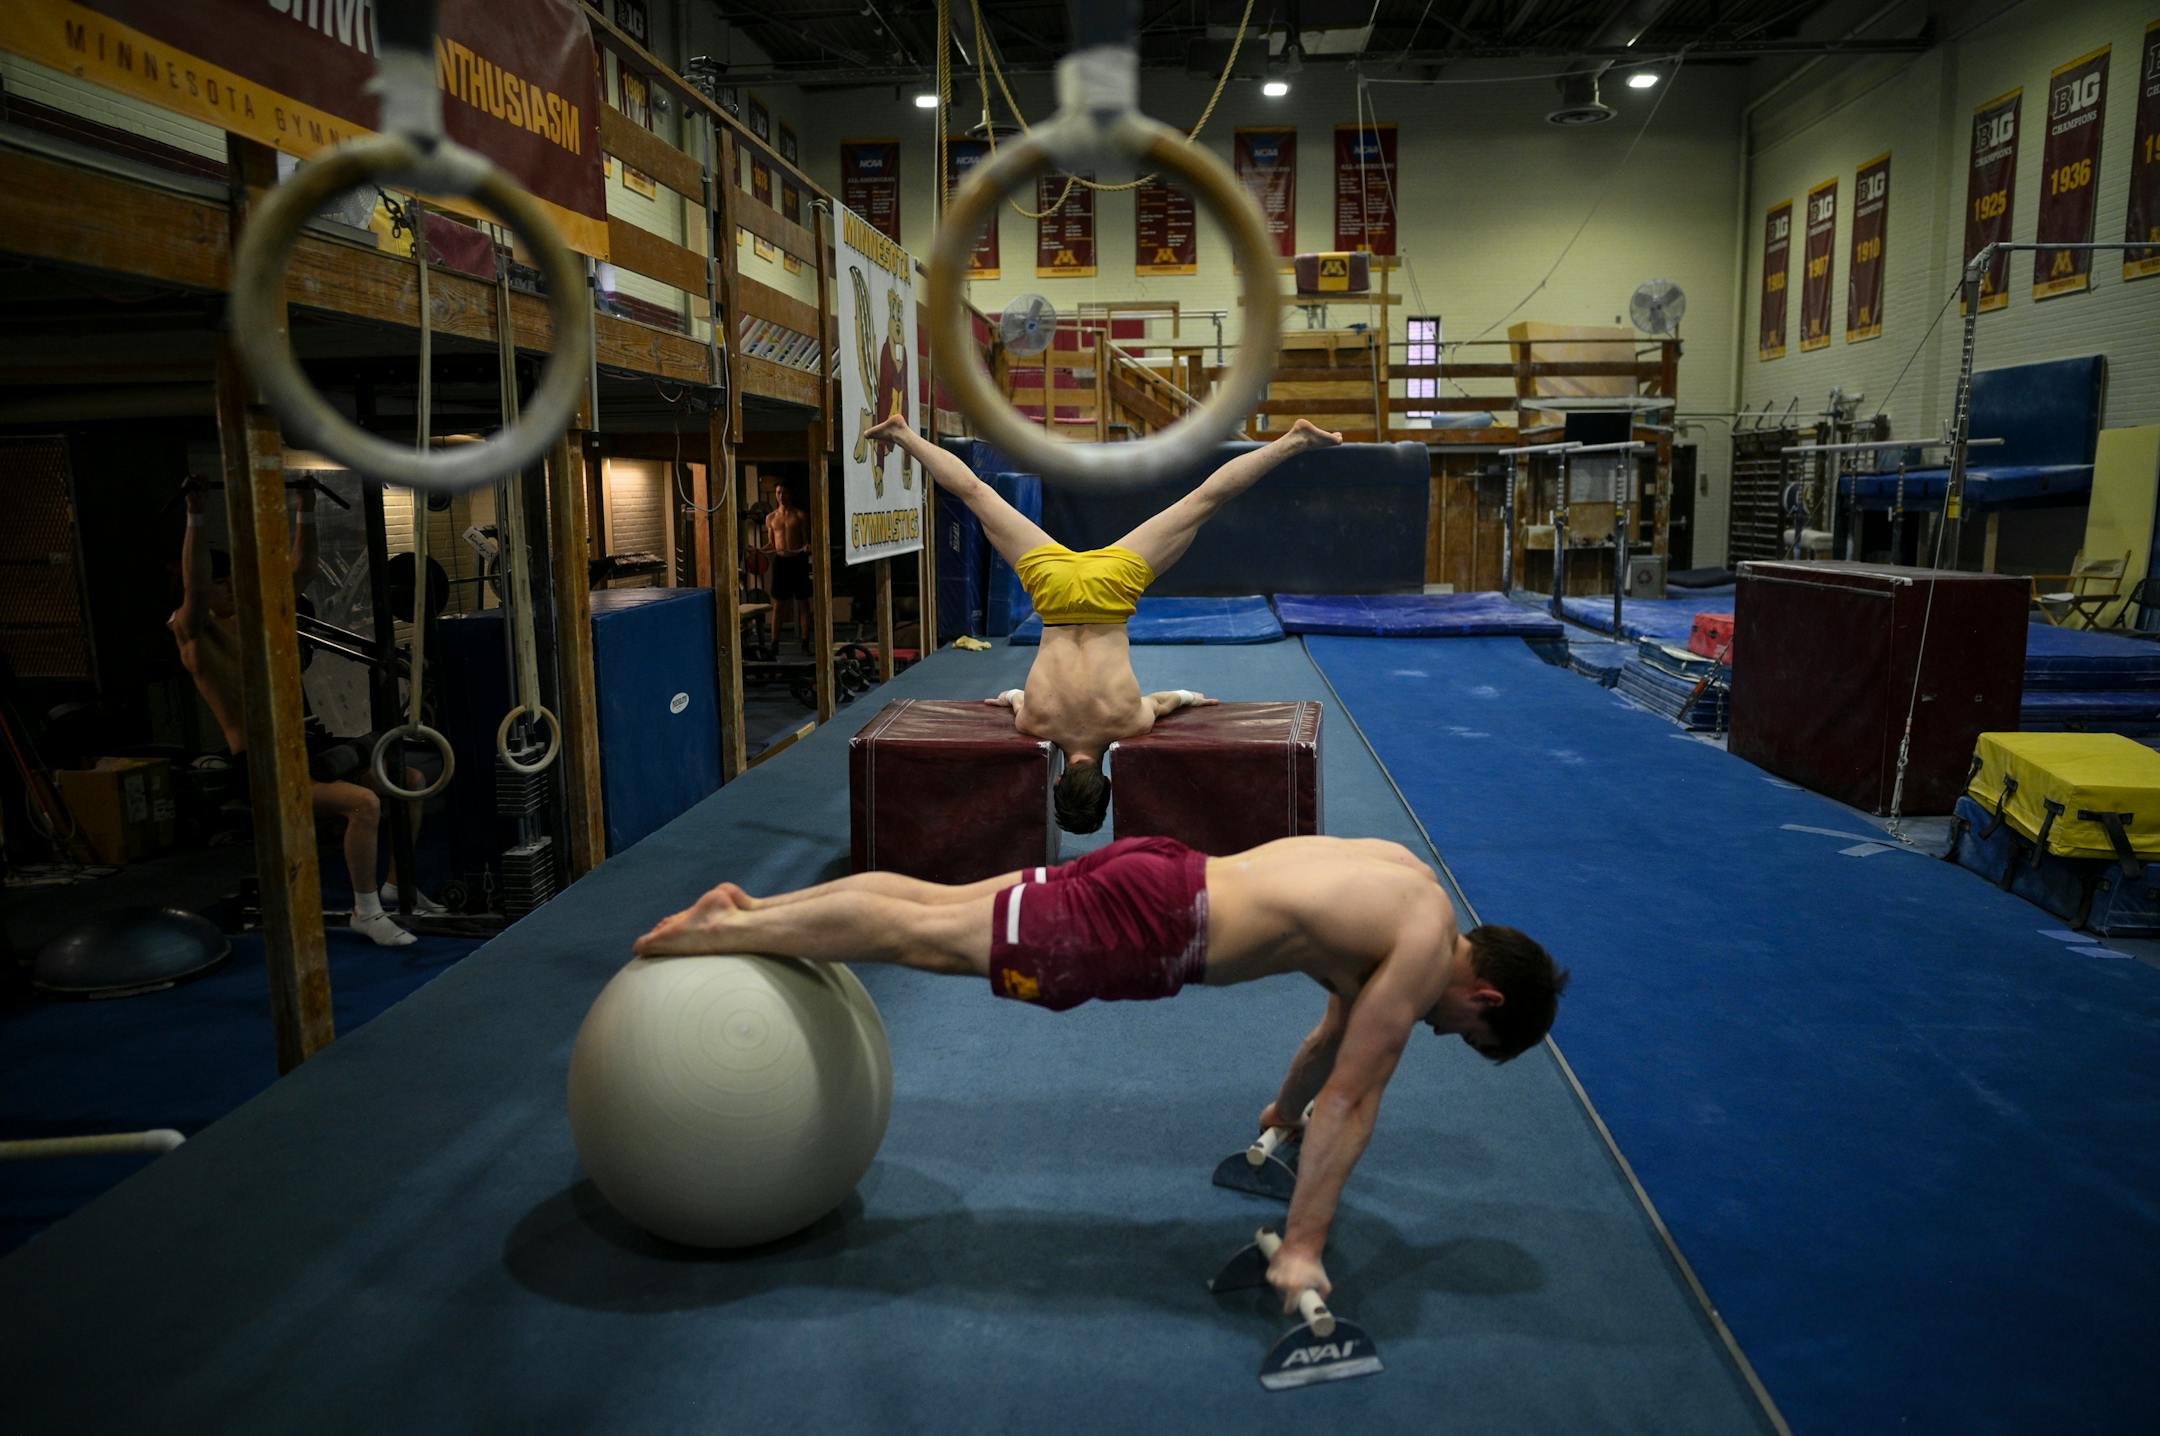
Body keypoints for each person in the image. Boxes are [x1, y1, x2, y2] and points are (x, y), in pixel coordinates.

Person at [634, 833, 1569, 1312]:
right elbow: (1358, 1097)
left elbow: (1330, 1047)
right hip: (1157, 929)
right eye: (1461, 1034)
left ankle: (756, 907)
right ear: (1483, 996)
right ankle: (734, 930)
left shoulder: (1405, 883)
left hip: (1164, 872)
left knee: (945, 907)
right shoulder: (1414, 956)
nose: (1438, 1034)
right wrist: (1305, 1246)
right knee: (930, 941)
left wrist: (1278, 1121)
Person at [864, 415, 1343, 833]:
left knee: (1204, 501)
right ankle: (904, 434)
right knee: (976, 494)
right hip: (1052, 591)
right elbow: (1012, 698)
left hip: (1113, 589)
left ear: (1108, 780)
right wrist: (1011, 698)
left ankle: (1292, 442)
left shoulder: (1129, 723)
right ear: (1057, 779)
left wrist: (1195, 699)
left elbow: (1168, 700)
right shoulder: (1034, 722)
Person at [170, 481, 441, 947]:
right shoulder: (193, 634)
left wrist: (307, 506)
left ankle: (398, 886)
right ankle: (366, 910)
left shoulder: (253, 622)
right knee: (365, 804)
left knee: (408, 783)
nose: (232, 587)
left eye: (234, 578)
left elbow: (302, 571)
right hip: (259, 765)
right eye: (222, 582)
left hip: (305, 747)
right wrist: (196, 515)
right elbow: (193, 586)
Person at [760, 480, 814, 652]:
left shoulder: (800, 515)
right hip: (781, 562)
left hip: (797, 560)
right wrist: (758, 550)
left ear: (790, 494)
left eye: (784, 493)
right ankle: (774, 644)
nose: (781, 496)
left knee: (803, 603)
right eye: (778, 493)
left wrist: (807, 548)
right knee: (779, 604)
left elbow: (806, 542)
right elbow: (771, 543)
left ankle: (805, 643)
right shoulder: (771, 518)